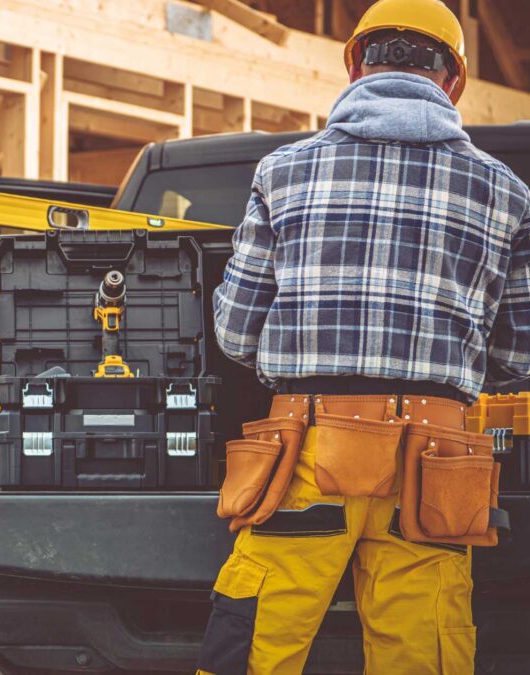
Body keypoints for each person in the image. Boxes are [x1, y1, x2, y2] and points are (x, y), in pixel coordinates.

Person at [196, 0, 530, 673]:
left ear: (354, 65)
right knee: (424, 654)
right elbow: (519, 355)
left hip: (306, 456)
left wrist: (306, 361)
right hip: (436, 471)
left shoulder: (282, 172)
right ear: (455, 81)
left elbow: (234, 331)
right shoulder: (507, 194)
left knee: (253, 645)